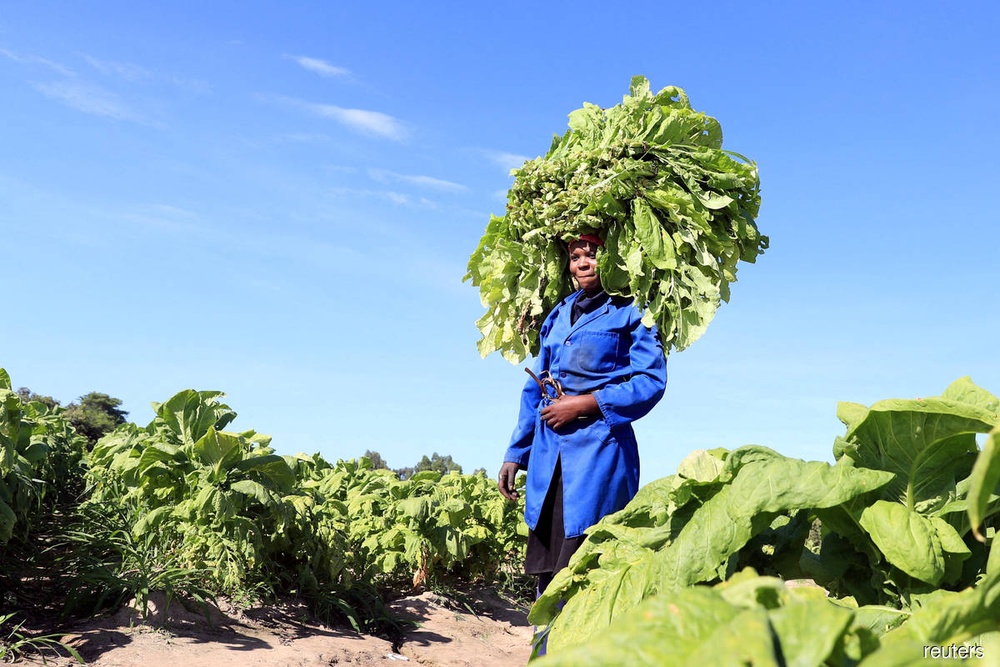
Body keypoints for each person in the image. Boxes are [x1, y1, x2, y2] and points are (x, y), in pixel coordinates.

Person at [497, 233, 667, 599]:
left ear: (616, 259)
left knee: (586, 566)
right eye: (575, 257)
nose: (583, 263)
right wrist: (516, 453)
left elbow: (651, 381)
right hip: (548, 458)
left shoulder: (631, 312)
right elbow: (536, 386)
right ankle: (545, 651)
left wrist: (586, 403)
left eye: (592, 255)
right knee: (548, 570)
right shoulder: (559, 313)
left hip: (599, 455)